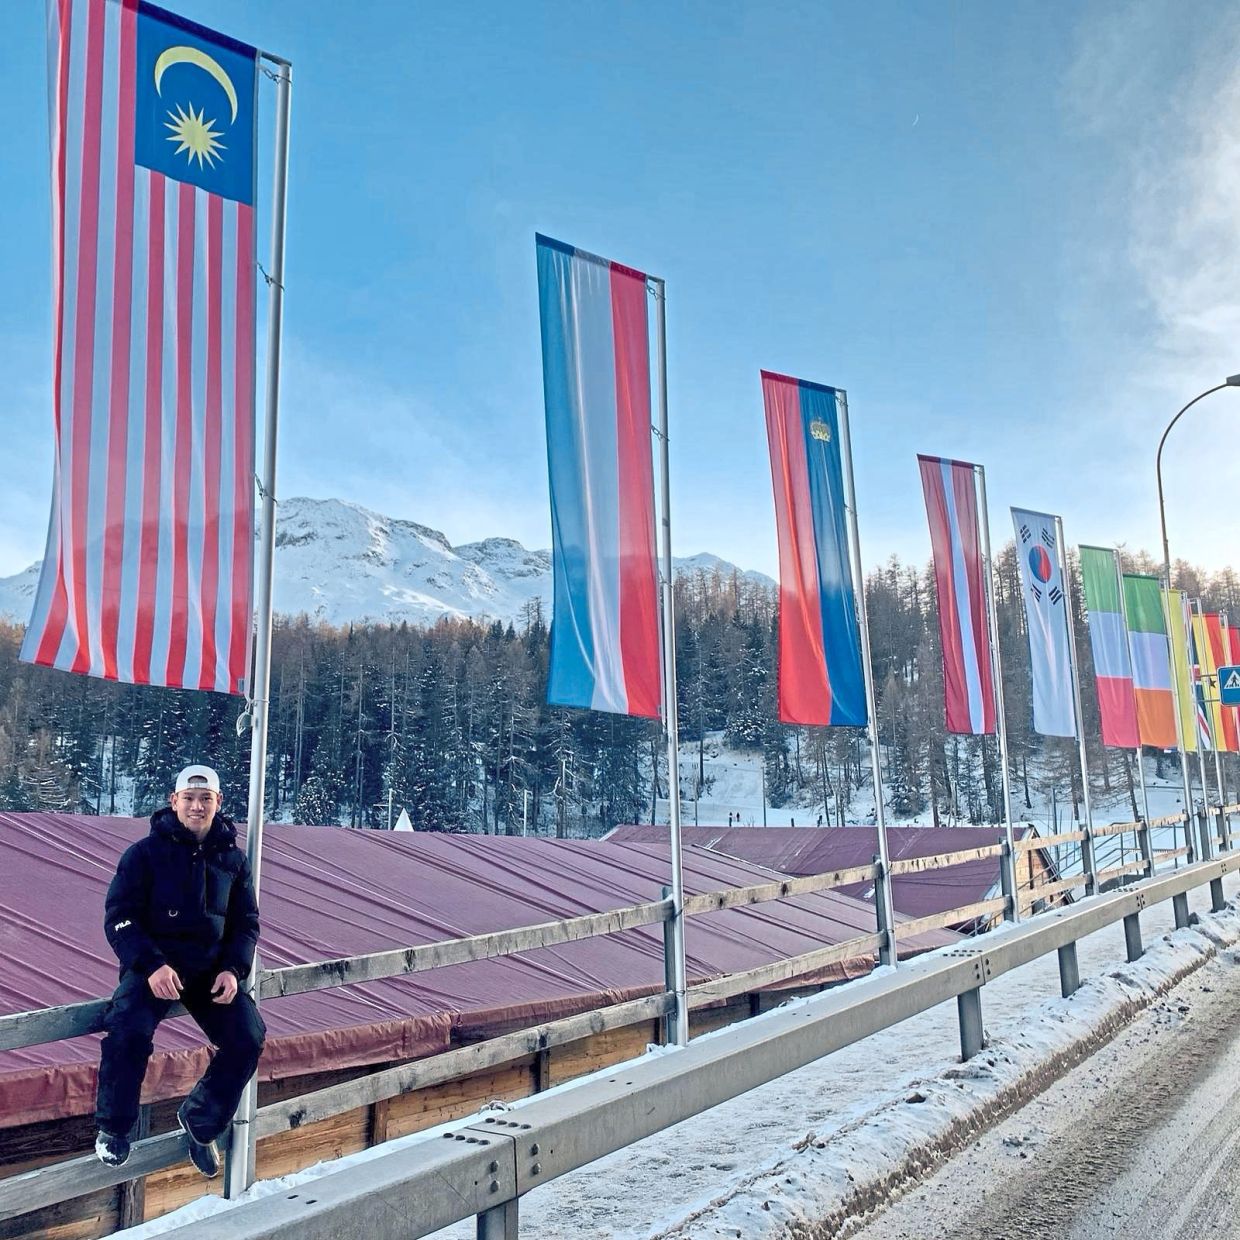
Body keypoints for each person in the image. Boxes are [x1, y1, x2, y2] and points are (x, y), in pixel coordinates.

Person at [94, 764, 264, 1178]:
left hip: (209, 970)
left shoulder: (233, 859)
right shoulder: (144, 854)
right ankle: (114, 1129)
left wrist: (232, 969)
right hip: (154, 966)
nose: (197, 806)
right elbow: (119, 917)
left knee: (248, 1037)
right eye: (189, 798)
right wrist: (150, 965)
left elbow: (246, 923)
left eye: (206, 799)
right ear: (174, 801)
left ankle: (201, 1122)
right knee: (128, 1029)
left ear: (218, 804)